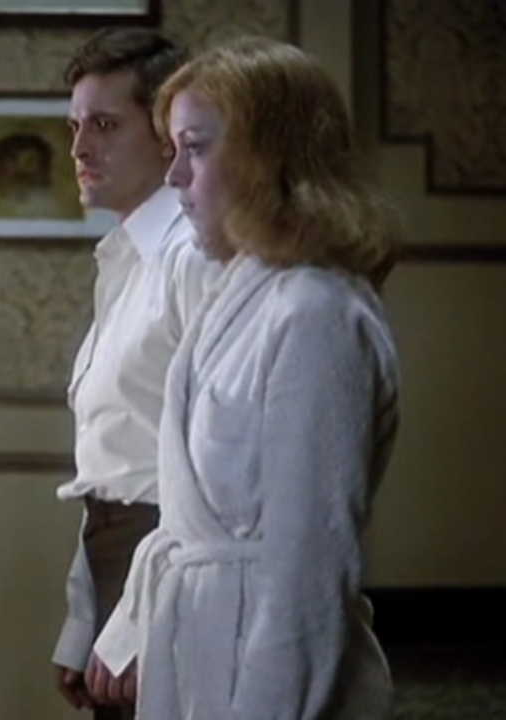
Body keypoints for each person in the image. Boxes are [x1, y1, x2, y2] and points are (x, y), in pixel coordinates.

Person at [90, 36, 402, 719]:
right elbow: (186, 514)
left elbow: (309, 567)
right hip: (205, 646)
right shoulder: (242, 292)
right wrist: (130, 628)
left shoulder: (318, 312)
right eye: (172, 150)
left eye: (195, 149)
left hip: (271, 661)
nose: (175, 177)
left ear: (268, 158)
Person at [50, 28, 219, 720]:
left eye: (105, 125)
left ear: (166, 136)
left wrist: (132, 625)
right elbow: (113, 460)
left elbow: (209, 467)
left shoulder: (191, 257)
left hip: (176, 574)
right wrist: (83, 619)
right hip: (117, 562)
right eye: (74, 126)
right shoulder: (124, 259)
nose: (79, 149)